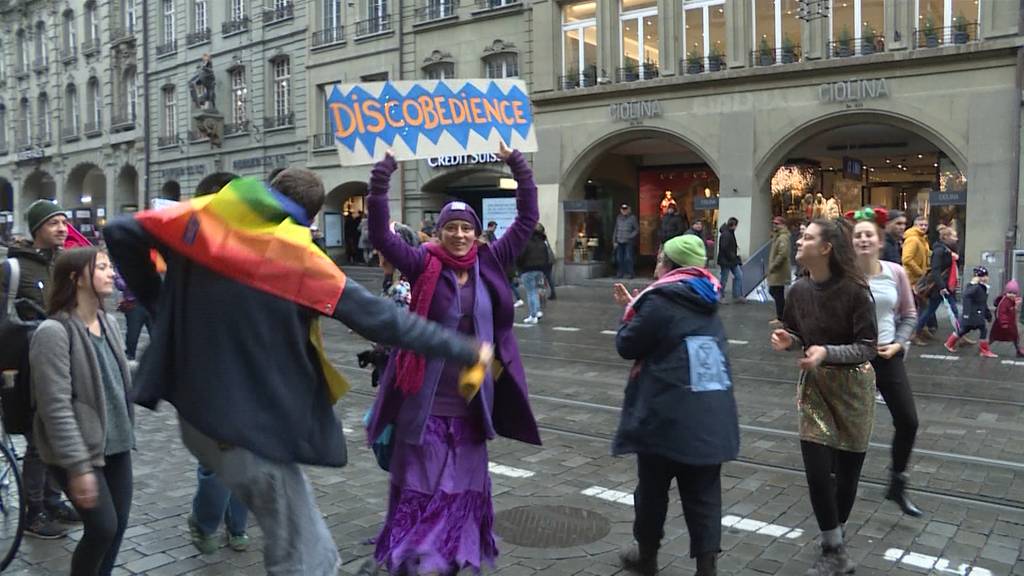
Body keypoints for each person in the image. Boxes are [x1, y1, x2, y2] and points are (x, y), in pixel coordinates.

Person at [105, 170, 491, 576]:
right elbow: (382, 320)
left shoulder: (208, 219)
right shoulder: (294, 256)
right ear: (308, 219)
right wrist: (462, 348)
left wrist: (159, 303)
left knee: (303, 541)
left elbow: (121, 233)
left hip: (196, 416)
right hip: (241, 430)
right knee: (307, 560)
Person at [365, 143, 542, 574]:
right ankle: (418, 557)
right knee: (423, 487)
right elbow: (381, 236)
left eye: (466, 228)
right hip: (423, 401)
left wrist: (518, 166)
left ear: (476, 232)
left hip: (471, 398)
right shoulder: (421, 264)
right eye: (451, 228)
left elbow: (526, 220)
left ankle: (456, 550)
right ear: (439, 232)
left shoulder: (491, 261)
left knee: (463, 485)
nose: (459, 235)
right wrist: (381, 179)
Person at [612, 234, 739, 576]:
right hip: (711, 414)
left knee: (652, 491)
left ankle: (647, 558)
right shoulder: (707, 296)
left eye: (658, 260)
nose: (655, 265)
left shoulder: (660, 299)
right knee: (704, 496)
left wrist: (633, 311)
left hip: (666, 414)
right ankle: (707, 568)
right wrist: (642, 305)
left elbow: (627, 344)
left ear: (669, 265)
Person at [770, 219, 877, 576]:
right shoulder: (798, 290)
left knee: (846, 476)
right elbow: (798, 333)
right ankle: (834, 548)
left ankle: (836, 535)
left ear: (827, 247)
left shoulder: (855, 291)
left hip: (853, 390)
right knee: (818, 473)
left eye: (808, 237)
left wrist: (824, 352)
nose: (800, 241)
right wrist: (791, 342)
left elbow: (867, 348)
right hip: (815, 387)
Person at [30, 247, 134, 573]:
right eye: (101, 267)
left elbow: (117, 372)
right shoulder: (53, 333)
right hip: (80, 451)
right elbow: (55, 407)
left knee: (114, 531)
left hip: (117, 443)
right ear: (76, 278)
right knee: (102, 527)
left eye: (109, 266)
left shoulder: (108, 322)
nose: (110, 273)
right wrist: (78, 468)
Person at [1, 199, 80, 539]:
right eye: (53, 223)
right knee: (37, 440)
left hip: (59, 360)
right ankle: (33, 513)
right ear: (36, 229)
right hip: (25, 364)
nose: (62, 228)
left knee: (57, 434)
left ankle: (52, 500)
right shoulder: (13, 268)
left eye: (64, 222)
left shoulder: (63, 263)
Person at [849, 208, 922, 517]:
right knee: (850, 427)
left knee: (908, 420)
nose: (864, 239)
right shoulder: (843, 275)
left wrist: (899, 344)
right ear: (851, 242)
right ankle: (839, 480)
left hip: (887, 356)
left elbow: (909, 315)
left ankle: (897, 482)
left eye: (869, 234)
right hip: (852, 359)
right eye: (858, 235)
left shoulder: (895, 272)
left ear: (879, 241)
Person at [914, 226, 960, 344]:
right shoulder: (940, 251)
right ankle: (916, 333)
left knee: (932, 310)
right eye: (954, 236)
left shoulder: (948, 250)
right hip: (941, 287)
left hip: (947, 285)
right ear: (945, 237)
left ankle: (961, 335)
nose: (956, 238)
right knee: (949, 310)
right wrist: (942, 287)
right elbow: (935, 270)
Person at [944, 266, 997, 357]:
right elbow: (966, 295)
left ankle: (949, 343)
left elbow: (983, 303)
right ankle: (984, 350)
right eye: (983, 276)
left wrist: (987, 314)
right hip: (974, 315)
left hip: (975, 314)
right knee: (983, 329)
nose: (986, 278)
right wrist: (967, 314)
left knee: (964, 329)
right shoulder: (975, 287)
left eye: (986, 276)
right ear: (978, 277)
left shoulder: (982, 287)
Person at [517, 223, 550, 324]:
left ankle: (533, 315)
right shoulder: (542, 243)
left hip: (528, 269)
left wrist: (519, 267)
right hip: (540, 270)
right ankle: (537, 311)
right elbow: (546, 257)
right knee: (536, 291)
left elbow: (520, 256)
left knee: (531, 292)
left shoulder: (526, 242)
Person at [114, 272, 150, 361]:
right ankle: (130, 357)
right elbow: (119, 283)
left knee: (157, 333)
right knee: (132, 334)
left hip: (152, 302)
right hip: (134, 304)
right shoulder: (126, 261)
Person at [767, 216, 791, 325]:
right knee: (775, 292)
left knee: (777, 293)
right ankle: (783, 315)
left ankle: (781, 317)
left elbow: (782, 254)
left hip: (779, 271)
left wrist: (773, 265)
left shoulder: (783, 237)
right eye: (774, 223)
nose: (774, 225)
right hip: (777, 270)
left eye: (777, 224)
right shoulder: (778, 236)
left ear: (783, 225)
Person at [990, 280, 1023, 357]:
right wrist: (1004, 322)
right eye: (1010, 293)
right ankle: (985, 346)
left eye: (1014, 293)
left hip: (1010, 324)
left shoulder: (1011, 301)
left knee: (1015, 337)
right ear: (1006, 292)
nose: (1012, 295)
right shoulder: (1004, 302)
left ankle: (1018, 350)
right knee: (994, 336)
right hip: (1001, 325)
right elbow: (1000, 312)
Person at [716, 218, 743, 304]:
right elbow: (725, 248)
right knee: (724, 278)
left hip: (730, 260)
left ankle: (736, 295)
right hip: (727, 260)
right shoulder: (726, 234)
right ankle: (720, 296)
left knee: (738, 275)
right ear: (734, 225)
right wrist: (733, 257)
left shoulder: (728, 233)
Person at [615, 204, 639, 279]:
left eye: (625, 209)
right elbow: (616, 229)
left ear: (629, 210)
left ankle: (630, 273)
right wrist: (614, 240)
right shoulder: (618, 218)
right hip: (619, 240)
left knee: (628, 258)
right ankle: (620, 273)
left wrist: (630, 236)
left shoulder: (632, 218)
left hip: (628, 241)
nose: (624, 211)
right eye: (622, 209)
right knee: (619, 258)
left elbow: (637, 229)